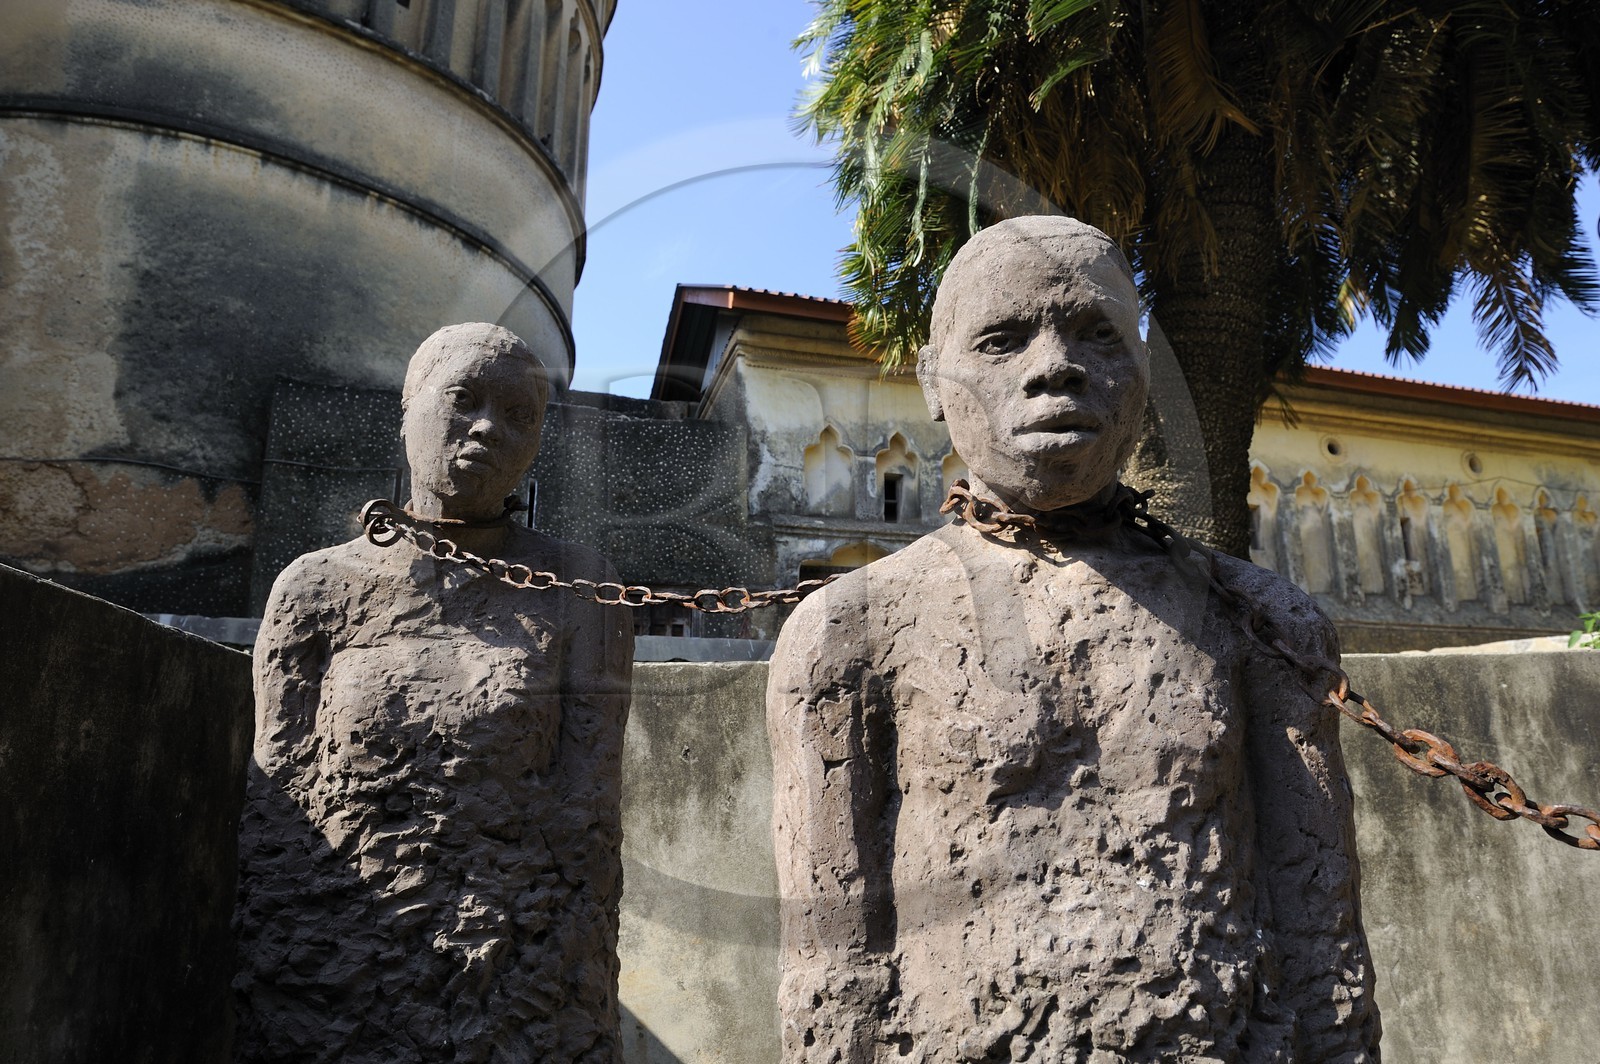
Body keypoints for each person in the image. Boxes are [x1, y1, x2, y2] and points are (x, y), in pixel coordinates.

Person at [767, 217, 1379, 1063]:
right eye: (1002, 339)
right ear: (934, 382)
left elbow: (1322, 933)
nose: (1054, 364)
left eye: (1097, 333)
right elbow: (833, 964)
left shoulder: (1266, 623)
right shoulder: (845, 634)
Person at [235, 323, 633, 1063]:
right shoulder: (316, 589)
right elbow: (278, 808)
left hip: (516, 981)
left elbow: (587, 819)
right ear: (409, 407)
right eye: (464, 398)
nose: (489, 428)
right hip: (334, 975)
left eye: (521, 416)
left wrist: (536, 992)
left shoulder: (584, 592)